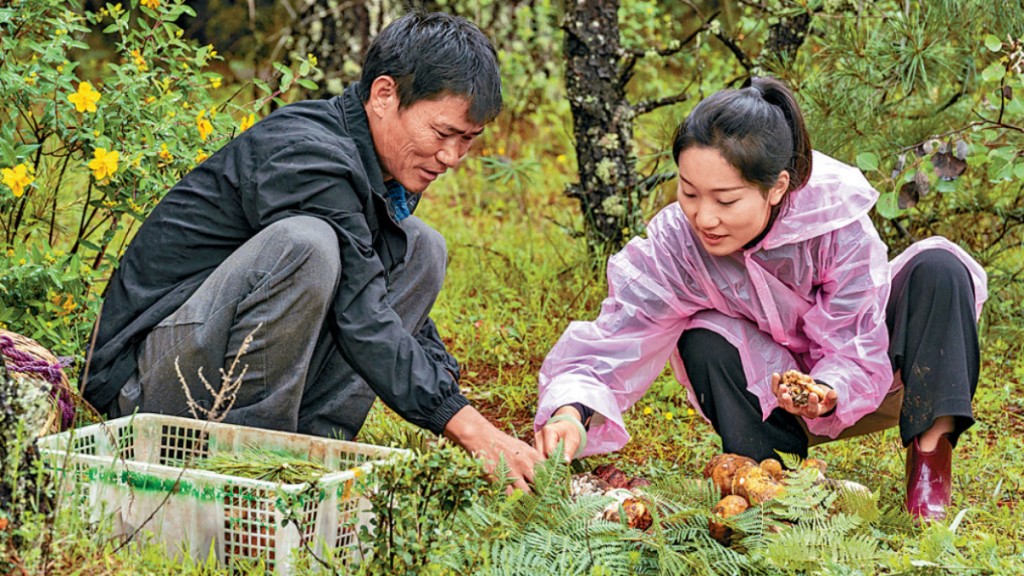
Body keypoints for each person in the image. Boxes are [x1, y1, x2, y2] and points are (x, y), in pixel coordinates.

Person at [83, 11, 542, 491]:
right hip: (144, 391)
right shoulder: (305, 154)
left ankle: (309, 457)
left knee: (424, 248)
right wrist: (469, 429)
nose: (451, 157)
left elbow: (379, 300)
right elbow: (363, 312)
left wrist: (460, 405)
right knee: (308, 245)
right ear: (384, 95)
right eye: (443, 134)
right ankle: (253, 467)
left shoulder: (378, 169)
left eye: (467, 141)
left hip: (213, 365)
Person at [532, 77, 987, 521]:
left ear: (777, 187)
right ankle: (774, 481)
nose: (703, 217)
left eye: (726, 201)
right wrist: (571, 410)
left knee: (940, 270)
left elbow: (854, 341)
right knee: (701, 335)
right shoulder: (678, 243)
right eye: (689, 193)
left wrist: (827, 391)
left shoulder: (833, 221)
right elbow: (618, 333)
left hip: (875, 377)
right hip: (763, 396)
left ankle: (930, 463)